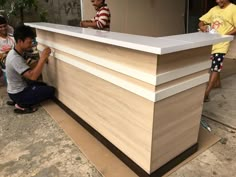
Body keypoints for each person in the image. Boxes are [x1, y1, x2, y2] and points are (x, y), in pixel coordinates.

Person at [6, 25, 55, 114]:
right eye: (29, 42)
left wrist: (41, 61)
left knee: (43, 85)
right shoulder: (15, 58)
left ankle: (19, 100)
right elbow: (33, 76)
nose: (31, 44)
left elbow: (28, 67)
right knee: (50, 91)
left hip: (16, 89)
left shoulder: (16, 51)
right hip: (18, 93)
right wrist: (43, 58)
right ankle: (21, 105)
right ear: (20, 41)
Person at [199, 0, 236, 102]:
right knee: (213, 64)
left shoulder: (233, 9)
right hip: (211, 43)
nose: (218, 0)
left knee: (215, 67)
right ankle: (217, 83)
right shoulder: (214, 9)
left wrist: (224, 36)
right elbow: (202, 20)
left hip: (222, 44)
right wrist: (202, 26)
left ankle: (207, 93)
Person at [0, 16, 15, 85]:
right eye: (0, 27)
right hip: (5, 66)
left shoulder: (12, 38)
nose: (3, 28)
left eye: (4, 26)